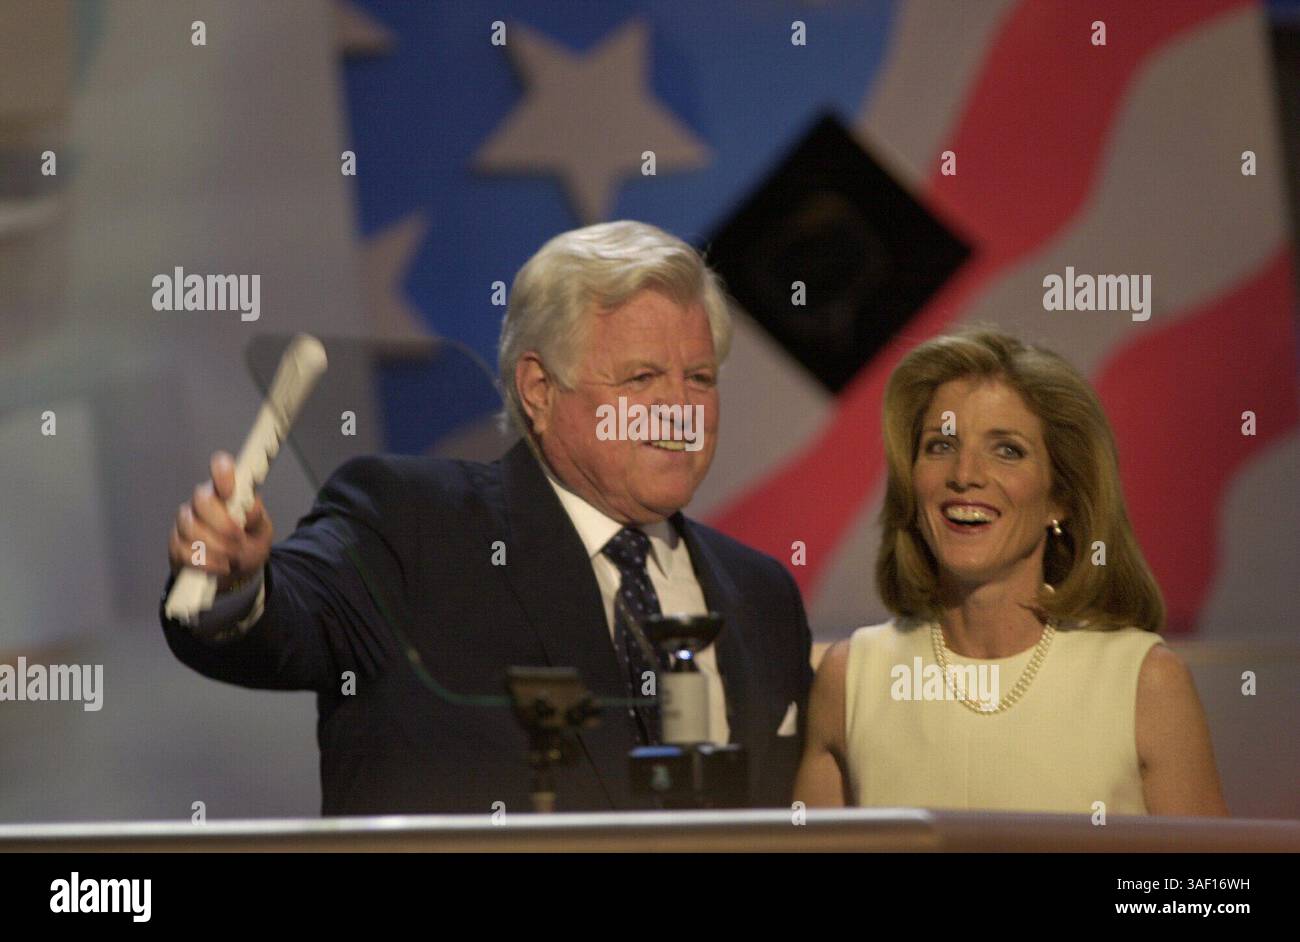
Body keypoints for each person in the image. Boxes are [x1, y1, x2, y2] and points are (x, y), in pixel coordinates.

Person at [160, 220, 812, 815]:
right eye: (641, 378)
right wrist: (232, 581)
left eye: (699, 378)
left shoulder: (762, 595)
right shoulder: (411, 523)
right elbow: (289, 622)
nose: (679, 408)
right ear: (539, 390)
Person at [794, 327, 1228, 816]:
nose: (965, 474)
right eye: (940, 445)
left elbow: (1205, 892)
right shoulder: (852, 677)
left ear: (1060, 498)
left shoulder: (1144, 681)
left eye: (1007, 450)